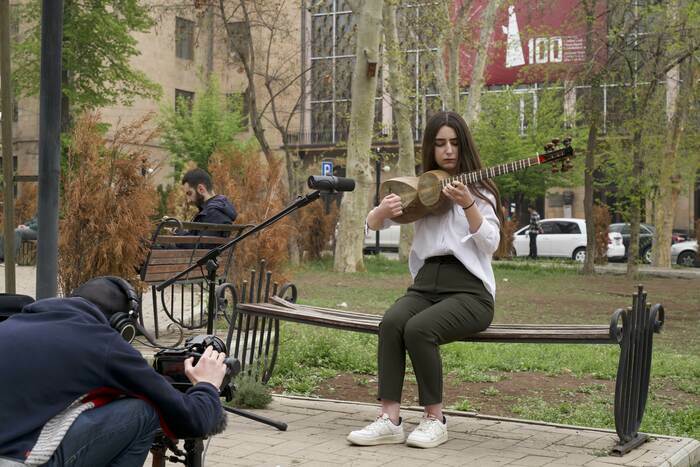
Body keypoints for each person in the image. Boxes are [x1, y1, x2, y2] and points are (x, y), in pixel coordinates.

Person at [347, 111, 503, 449]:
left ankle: (435, 419)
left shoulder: (480, 189)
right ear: (430, 148)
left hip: (470, 291)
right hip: (426, 284)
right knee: (391, 323)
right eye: (439, 143)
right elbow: (375, 224)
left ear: (464, 146)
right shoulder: (421, 188)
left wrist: (469, 205)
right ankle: (389, 420)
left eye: (454, 143)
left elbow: (492, 244)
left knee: (419, 329)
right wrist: (380, 211)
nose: (448, 150)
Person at [0, 276, 228, 466]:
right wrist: (207, 385)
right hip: (16, 460)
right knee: (143, 411)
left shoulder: (9, 325)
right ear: (122, 325)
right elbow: (193, 420)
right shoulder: (102, 342)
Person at [180, 168, 237, 237]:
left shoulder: (213, 212)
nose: (188, 200)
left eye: (189, 193)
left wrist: (177, 232)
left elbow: (201, 246)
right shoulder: (218, 209)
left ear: (201, 189)